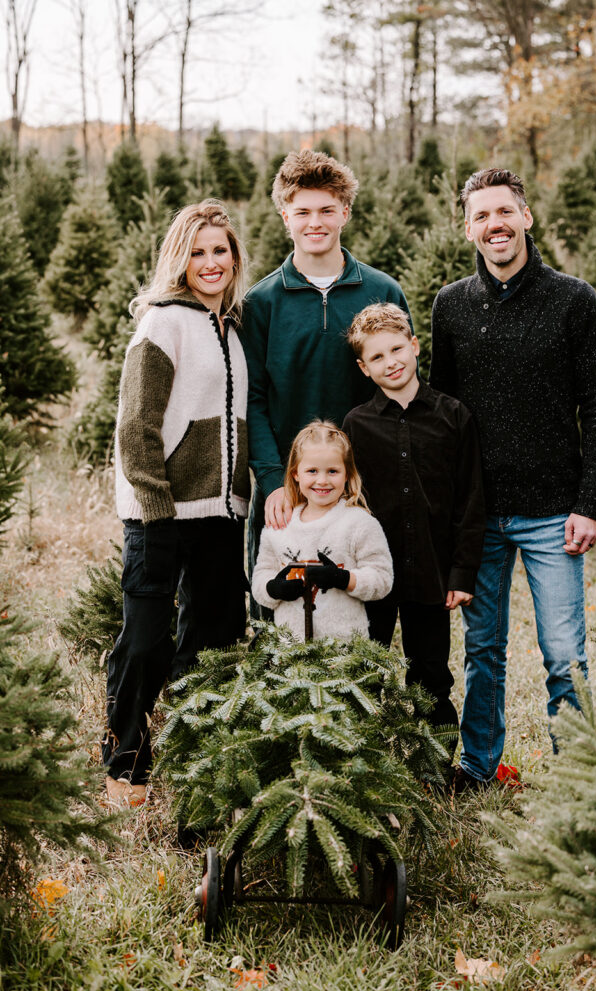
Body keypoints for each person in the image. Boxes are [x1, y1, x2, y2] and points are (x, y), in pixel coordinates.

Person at [430, 167, 596, 792]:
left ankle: (578, 780)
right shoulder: (451, 306)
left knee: (564, 654)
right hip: (480, 515)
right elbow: (445, 415)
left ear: (526, 217)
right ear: (468, 229)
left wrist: (589, 504)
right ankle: (478, 767)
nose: (495, 225)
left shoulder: (574, 300)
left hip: (551, 513)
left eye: (504, 212)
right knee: (483, 654)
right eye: (481, 216)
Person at [103, 199, 251, 807]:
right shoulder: (163, 323)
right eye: (198, 251)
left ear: (235, 258)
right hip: (159, 510)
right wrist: (155, 505)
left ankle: (193, 756)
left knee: (212, 638)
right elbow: (136, 425)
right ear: (178, 258)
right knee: (144, 639)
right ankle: (125, 763)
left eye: (221, 250)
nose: (210, 262)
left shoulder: (235, 327)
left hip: (221, 512)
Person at [240, 149, 411, 605]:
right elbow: (252, 399)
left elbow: (401, 387)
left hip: (362, 484)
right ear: (284, 216)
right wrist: (275, 480)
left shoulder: (383, 291)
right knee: (281, 615)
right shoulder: (262, 304)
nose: (314, 222)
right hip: (290, 488)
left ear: (345, 213)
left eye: (326, 210)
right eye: (302, 212)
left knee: (359, 619)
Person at [342, 303, 485, 759]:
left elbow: (470, 500)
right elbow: (349, 505)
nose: (392, 362)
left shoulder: (454, 416)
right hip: (373, 576)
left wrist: (461, 574)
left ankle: (436, 766)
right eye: (378, 358)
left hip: (431, 574)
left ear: (415, 346)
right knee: (365, 669)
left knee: (430, 674)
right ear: (364, 368)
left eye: (397, 349)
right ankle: (364, 764)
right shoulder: (357, 425)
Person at [251, 421, 393, 641]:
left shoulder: (359, 523)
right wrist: (274, 588)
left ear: (347, 474)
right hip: (291, 653)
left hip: (345, 652)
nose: (322, 480)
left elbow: (382, 579)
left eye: (333, 471)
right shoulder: (280, 526)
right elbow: (260, 578)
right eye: (312, 471)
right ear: (296, 474)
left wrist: (344, 578)